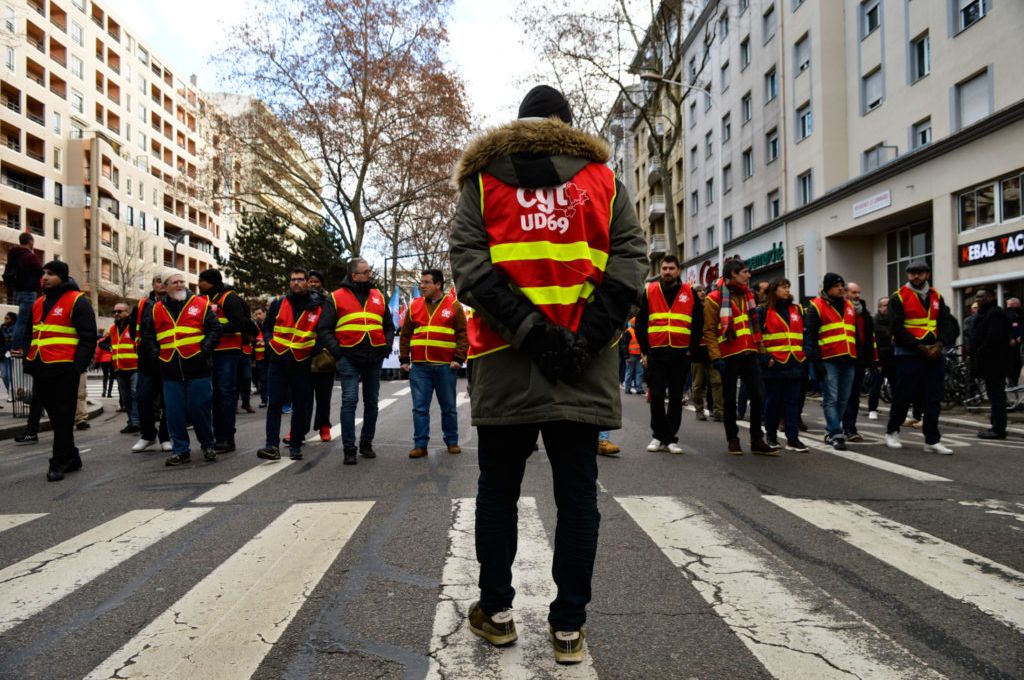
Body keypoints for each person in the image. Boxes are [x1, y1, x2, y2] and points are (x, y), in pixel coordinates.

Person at [450, 85, 646, 664]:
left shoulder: (483, 184)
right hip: (581, 366)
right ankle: (568, 627)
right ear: (565, 124)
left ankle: (498, 612)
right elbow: (629, 264)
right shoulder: (604, 183)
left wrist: (531, 334)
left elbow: (471, 270)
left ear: (519, 124)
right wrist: (580, 342)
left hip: (505, 359)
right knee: (577, 494)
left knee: (498, 489)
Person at [316, 258, 395, 465]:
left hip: (374, 357)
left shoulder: (378, 296)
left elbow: (388, 325)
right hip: (348, 358)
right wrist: (338, 353)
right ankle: (349, 449)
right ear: (354, 276)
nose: (370, 274)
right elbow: (324, 329)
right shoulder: (336, 297)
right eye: (366, 271)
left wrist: (386, 345)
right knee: (349, 402)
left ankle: (366, 444)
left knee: (372, 403)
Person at [24, 261, 97, 481]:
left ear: (63, 278)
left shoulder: (78, 301)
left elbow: (88, 337)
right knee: (57, 417)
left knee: (64, 416)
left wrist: (78, 366)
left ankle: (58, 461)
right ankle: (72, 456)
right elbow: (30, 333)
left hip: (65, 368)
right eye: (43, 273)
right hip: (41, 366)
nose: (44, 277)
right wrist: (29, 360)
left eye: (51, 274)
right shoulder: (38, 303)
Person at [140, 270, 221, 465]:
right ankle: (180, 450)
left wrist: (204, 352)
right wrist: (156, 357)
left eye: (182, 282)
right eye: (174, 282)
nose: (179, 285)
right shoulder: (155, 309)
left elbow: (215, 329)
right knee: (174, 413)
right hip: (170, 369)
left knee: (199, 409)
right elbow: (148, 337)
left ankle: (208, 446)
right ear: (165, 286)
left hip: (198, 367)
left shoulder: (201, 304)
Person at [884, 260, 958, 454]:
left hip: (933, 353)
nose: (916, 276)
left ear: (927, 274)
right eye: (912, 273)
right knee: (903, 395)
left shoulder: (936, 296)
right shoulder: (898, 297)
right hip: (908, 353)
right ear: (908, 275)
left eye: (920, 273)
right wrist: (919, 347)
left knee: (933, 397)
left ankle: (932, 440)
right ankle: (892, 431)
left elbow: (946, 323)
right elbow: (896, 328)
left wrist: (940, 344)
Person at [703, 259, 775, 455]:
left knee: (758, 396)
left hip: (749, 354)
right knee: (729, 400)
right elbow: (709, 331)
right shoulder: (714, 298)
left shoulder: (748, 296)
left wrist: (761, 351)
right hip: (728, 356)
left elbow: (754, 327)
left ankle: (756, 440)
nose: (749, 275)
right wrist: (716, 357)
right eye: (745, 272)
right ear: (734, 274)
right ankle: (733, 439)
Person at [399, 269, 469, 458]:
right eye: (421, 282)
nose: (422, 286)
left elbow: (463, 333)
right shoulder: (414, 305)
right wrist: (404, 359)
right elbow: (405, 334)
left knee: (448, 407)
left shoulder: (453, 305)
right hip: (420, 366)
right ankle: (420, 444)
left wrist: (458, 358)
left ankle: (452, 441)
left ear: (438, 285)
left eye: (426, 282)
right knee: (419, 408)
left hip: (446, 366)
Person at [634, 255, 700, 454]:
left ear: (678, 270)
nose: (668, 272)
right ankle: (657, 435)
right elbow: (641, 322)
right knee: (656, 395)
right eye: (664, 268)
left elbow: (698, 323)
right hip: (657, 352)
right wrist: (645, 349)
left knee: (676, 396)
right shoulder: (650, 290)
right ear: (660, 271)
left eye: (671, 268)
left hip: (681, 353)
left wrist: (691, 349)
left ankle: (670, 438)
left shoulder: (689, 292)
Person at [258, 268, 320, 461]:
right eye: (293, 279)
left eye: (300, 279)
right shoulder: (278, 303)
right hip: (278, 359)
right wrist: (269, 342)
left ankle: (295, 446)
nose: (296, 283)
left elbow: (324, 330)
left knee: (299, 405)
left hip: (302, 361)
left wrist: (314, 349)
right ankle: (271, 446)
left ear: (308, 282)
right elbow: (267, 326)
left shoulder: (318, 305)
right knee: (274, 403)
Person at [804, 273, 857, 451]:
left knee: (843, 398)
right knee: (831, 398)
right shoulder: (816, 306)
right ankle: (836, 433)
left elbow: (854, 333)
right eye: (836, 286)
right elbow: (810, 337)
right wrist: (816, 362)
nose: (841, 288)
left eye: (842, 285)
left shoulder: (849, 306)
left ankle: (832, 430)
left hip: (849, 358)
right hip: (828, 360)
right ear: (827, 288)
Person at [197, 268, 248, 454]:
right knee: (215, 396)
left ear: (209, 282)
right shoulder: (204, 300)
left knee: (225, 393)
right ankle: (217, 436)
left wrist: (214, 328)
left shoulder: (229, 298)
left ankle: (227, 437)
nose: (198, 284)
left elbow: (238, 324)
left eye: (201, 280)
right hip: (210, 352)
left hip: (228, 352)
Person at [760, 279, 808, 452]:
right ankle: (771, 437)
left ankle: (793, 439)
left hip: (796, 362)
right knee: (773, 402)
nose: (787, 290)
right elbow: (756, 337)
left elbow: (804, 335)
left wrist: (806, 356)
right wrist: (765, 358)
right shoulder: (763, 311)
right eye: (783, 287)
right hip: (774, 365)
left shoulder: (796, 309)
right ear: (774, 290)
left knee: (792, 403)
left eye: (788, 287)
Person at [129, 274, 171, 452]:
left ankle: (166, 437)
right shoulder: (142, 304)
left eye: (165, 281)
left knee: (169, 401)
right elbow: (134, 330)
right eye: (158, 281)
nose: (161, 284)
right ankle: (147, 435)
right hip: (147, 361)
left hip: (169, 358)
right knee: (143, 398)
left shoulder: (176, 303)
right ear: (153, 285)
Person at [970, 289, 1009, 439]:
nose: (979, 299)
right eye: (977, 297)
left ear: (991, 297)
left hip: (995, 363)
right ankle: (996, 426)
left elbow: (993, 339)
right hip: (989, 363)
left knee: (997, 395)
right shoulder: (985, 313)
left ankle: (998, 429)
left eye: (982, 296)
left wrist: (980, 352)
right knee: (994, 395)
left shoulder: (994, 313)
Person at [840, 281, 876, 442]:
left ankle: (850, 427)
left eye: (859, 292)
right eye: (854, 293)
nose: (857, 296)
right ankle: (836, 426)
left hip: (859, 358)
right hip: (843, 357)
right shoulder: (840, 309)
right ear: (845, 293)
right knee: (842, 395)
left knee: (854, 395)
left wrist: (872, 360)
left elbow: (869, 336)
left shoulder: (864, 312)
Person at [305, 270, 335, 441]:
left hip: (323, 355)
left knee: (323, 396)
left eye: (316, 281)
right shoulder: (299, 300)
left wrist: (322, 346)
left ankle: (324, 427)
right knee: (303, 396)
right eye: (310, 281)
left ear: (322, 283)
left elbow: (331, 327)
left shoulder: (329, 301)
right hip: (303, 353)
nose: (313, 284)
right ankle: (299, 429)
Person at [3, 232, 43, 353]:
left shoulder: (14, 255)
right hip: (29, 292)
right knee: (24, 320)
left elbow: (8, 275)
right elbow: (40, 272)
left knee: (25, 319)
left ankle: (23, 346)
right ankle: (16, 347)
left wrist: (14, 287)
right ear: (30, 241)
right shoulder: (30, 257)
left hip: (19, 292)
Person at [690, 285, 723, 422]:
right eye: (699, 291)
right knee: (698, 384)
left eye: (704, 290)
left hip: (712, 349)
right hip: (697, 351)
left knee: (717, 381)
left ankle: (718, 411)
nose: (702, 292)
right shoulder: (692, 308)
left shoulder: (713, 306)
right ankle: (699, 409)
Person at [110, 302, 140, 434]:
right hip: (119, 368)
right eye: (114, 312)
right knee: (126, 397)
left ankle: (137, 422)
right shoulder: (112, 329)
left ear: (127, 313)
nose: (116, 314)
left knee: (135, 395)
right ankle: (132, 421)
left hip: (134, 367)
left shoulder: (133, 327)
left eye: (119, 311)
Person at [868, 296, 893, 419]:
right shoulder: (874, 322)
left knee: (897, 386)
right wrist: (875, 361)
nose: (887, 308)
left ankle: (896, 410)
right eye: (885, 305)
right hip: (879, 359)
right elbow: (872, 342)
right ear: (879, 307)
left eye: (889, 305)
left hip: (893, 358)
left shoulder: (894, 321)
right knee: (876, 385)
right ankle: (872, 409)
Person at [252, 306, 269, 407]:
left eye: (260, 313)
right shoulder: (254, 326)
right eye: (256, 314)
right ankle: (264, 400)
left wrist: (265, 342)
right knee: (262, 379)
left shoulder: (269, 323)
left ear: (265, 313)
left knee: (271, 379)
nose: (258, 316)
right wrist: (257, 341)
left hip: (269, 356)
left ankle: (271, 398)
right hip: (259, 357)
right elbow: (251, 338)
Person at [622, 318, 644, 395]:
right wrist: (626, 357)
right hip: (631, 355)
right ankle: (628, 388)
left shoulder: (638, 331)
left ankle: (639, 389)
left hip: (638, 355)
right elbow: (624, 345)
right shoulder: (628, 332)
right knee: (630, 372)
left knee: (639, 372)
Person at [1007, 297, 1022, 386]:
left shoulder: (1019, 314)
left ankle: (1014, 382)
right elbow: (1006, 327)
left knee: (1017, 363)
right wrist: (1011, 338)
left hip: (1018, 342)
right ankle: (1012, 383)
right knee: (1013, 363)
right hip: (1011, 344)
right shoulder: (1008, 314)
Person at [95, 330, 115, 399]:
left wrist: (96, 362)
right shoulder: (113, 341)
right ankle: (109, 393)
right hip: (112, 360)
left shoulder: (101, 341)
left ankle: (104, 392)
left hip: (104, 361)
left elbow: (98, 353)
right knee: (112, 377)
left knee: (105, 376)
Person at [1, 312, 16, 401]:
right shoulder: (2, 327)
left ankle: (11, 393)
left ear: (12, 320)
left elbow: (14, 339)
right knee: (4, 375)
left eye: (7, 318)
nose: (5, 320)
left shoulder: (16, 328)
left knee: (10, 375)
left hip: (11, 353)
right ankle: (9, 391)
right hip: (2, 353)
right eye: (5, 318)